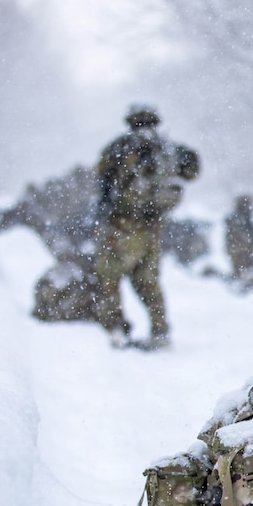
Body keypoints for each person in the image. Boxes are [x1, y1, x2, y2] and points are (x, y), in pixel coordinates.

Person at [93, 104, 199, 349]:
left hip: (123, 224)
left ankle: (116, 329)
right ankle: (161, 331)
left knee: (109, 275)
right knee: (148, 280)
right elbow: (193, 171)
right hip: (153, 226)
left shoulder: (121, 146)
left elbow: (102, 175)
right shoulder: (168, 148)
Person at [224, 194, 253, 281]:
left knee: (242, 266)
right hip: (239, 249)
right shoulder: (240, 217)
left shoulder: (244, 217)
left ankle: (242, 279)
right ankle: (241, 279)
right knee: (242, 266)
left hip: (239, 249)